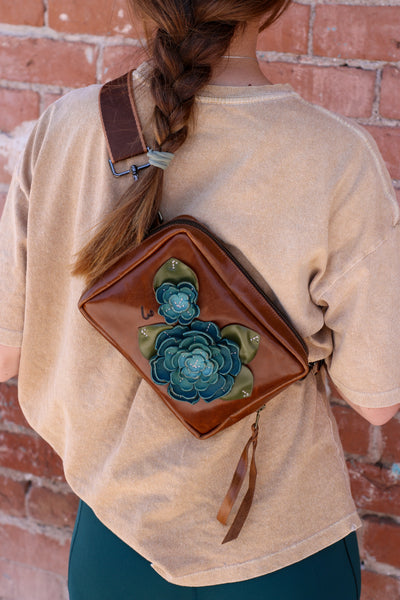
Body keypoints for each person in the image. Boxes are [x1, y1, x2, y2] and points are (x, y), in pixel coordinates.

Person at [0, 0, 399, 598]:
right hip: (275, 552)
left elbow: (6, 355)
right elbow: (377, 401)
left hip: (110, 549)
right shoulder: (336, 159)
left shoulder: (63, 128)